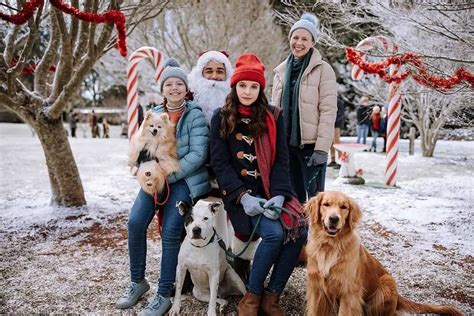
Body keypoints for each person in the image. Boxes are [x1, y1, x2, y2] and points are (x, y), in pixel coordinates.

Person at [210, 54, 307, 316]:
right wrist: (243, 197)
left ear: (260, 89)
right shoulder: (220, 118)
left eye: (254, 86)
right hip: (240, 199)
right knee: (275, 233)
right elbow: (220, 165)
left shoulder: (273, 116)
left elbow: (281, 161)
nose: (248, 91)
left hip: (271, 192)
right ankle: (252, 297)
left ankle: (272, 296)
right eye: (243, 85)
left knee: (300, 229)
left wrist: (279, 195)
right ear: (235, 87)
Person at [115, 58, 210, 316]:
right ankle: (138, 281)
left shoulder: (195, 115)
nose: (174, 88)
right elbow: (143, 143)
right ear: (163, 88)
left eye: (179, 83)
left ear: (185, 88)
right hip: (153, 178)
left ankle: (164, 293)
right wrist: (142, 165)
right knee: (135, 223)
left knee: (170, 231)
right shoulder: (155, 113)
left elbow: (199, 154)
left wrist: (168, 174)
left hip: (182, 180)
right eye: (169, 84)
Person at [272, 13, 337, 203]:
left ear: (312, 43)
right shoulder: (280, 71)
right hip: (286, 147)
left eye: (304, 39)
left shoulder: (323, 70)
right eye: (295, 37)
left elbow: (328, 111)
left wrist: (322, 149)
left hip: (312, 148)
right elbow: (274, 110)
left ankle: (316, 234)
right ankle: (297, 233)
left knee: (315, 203)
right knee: (293, 199)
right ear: (290, 39)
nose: (299, 43)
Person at [188, 50, 233, 124]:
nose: (214, 76)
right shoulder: (189, 98)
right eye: (209, 71)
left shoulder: (236, 99)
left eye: (220, 72)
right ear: (201, 74)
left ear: (226, 75)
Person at [328, 96, 346, 168]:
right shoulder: (327, 100)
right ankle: (333, 160)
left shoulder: (339, 102)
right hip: (329, 124)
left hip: (336, 124)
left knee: (336, 143)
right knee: (330, 143)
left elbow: (341, 114)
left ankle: (341, 161)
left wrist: (333, 120)